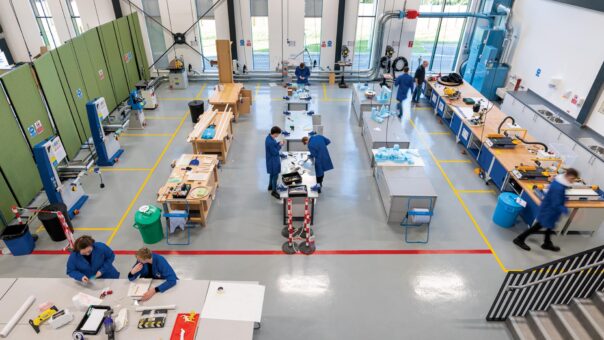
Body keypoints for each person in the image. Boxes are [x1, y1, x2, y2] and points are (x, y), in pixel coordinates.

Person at [513, 168, 579, 252]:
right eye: (572, 178)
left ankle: (547, 243)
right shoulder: (559, 187)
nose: (573, 181)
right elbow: (556, 203)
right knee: (537, 227)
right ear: (567, 176)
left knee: (549, 227)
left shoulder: (560, 182)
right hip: (549, 211)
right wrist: (567, 211)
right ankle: (519, 239)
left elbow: (557, 198)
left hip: (551, 210)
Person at [265, 126, 284, 199]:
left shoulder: (269, 137)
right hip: (273, 161)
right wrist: (280, 145)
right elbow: (275, 152)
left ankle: (270, 186)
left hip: (271, 159)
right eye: (278, 134)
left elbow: (274, 146)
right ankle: (274, 191)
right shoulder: (270, 142)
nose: (278, 136)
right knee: (275, 176)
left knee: (272, 174)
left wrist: (278, 143)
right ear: (275, 133)